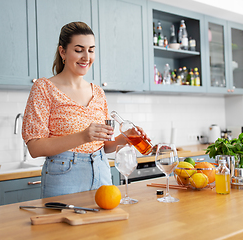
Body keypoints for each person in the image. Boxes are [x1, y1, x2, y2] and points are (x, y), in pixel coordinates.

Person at [22, 21, 149, 198]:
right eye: (79, 49)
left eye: (91, 50)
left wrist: (126, 138)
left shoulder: (98, 92)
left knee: (104, 225)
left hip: (102, 171)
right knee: (63, 225)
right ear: (63, 52)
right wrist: (83, 136)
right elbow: (35, 148)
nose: (86, 57)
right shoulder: (44, 88)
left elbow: (104, 145)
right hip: (64, 175)